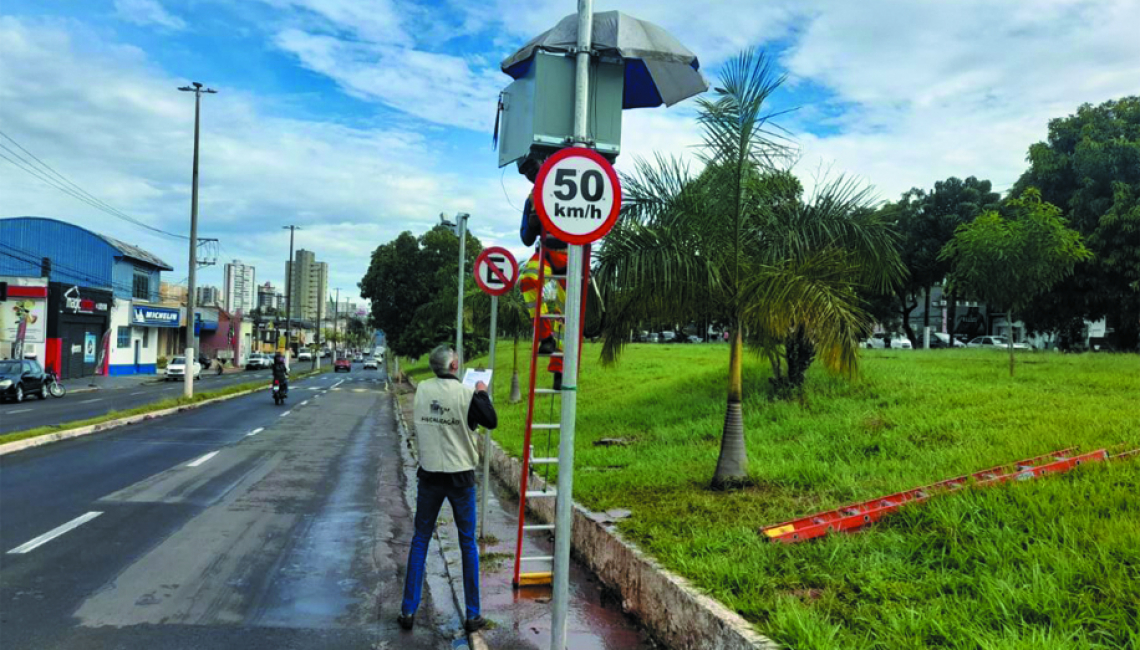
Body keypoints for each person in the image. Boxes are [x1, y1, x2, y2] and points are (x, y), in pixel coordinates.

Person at [399, 344, 497, 634]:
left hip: (429, 475)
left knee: (420, 539)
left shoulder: (422, 391)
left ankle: (407, 609)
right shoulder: (467, 394)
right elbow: (490, 420)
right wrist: (480, 391)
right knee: (467, 544)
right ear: (455, 367)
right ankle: (473, 615)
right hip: (460, 478)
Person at [518, 157, 567, 390]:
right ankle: (545, 337)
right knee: (529, 279)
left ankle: (560, 372)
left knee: (565, 317)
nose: (529, 173)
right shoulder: (531, 198)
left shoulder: (567, 182)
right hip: (546, 255)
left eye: (531, 166)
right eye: (524, 171)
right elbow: (526, 237)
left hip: (571, 258)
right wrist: (532, 220)